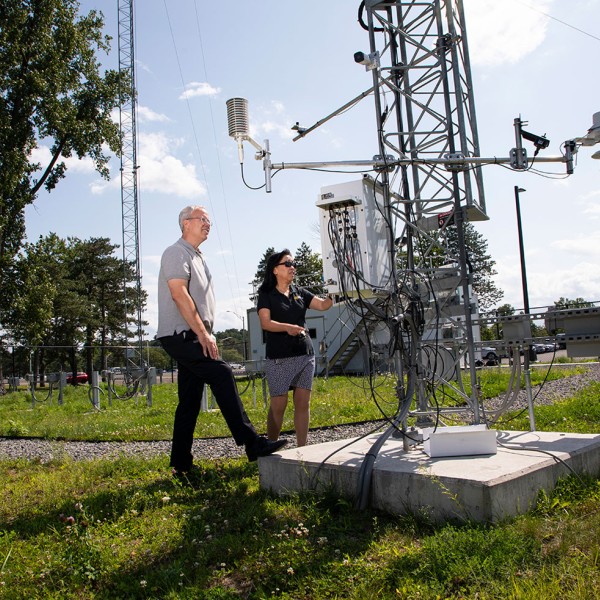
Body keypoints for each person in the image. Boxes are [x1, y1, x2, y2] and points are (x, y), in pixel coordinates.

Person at [157, 205, 287, 476]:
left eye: (209, 221)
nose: (208, 224)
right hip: (181, 335)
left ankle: (180, 465)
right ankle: (252, 443)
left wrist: (207, 330)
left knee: (189, 401)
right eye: (202, 219)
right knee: (222, 373)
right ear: (185, 223)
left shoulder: (197, 257)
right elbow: (179, 294)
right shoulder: (176, 252)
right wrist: (203, 334)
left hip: (193, 333)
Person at [257, 249, 334, 446]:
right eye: (288, 264)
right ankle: (270, 445)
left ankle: (302, 448)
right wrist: (287, 328)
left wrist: (336, 289)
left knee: (302, 403)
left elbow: (324, 305)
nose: (293, 267)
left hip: (305, 354)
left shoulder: (300, 293)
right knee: (279, 404)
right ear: (275, 270)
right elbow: (265, 323)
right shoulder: (266, 294)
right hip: (279, 357)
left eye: (294, 264)